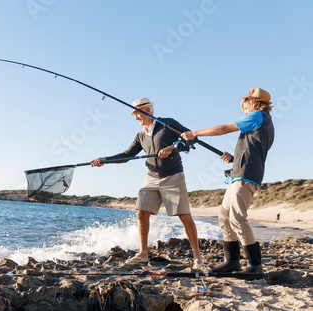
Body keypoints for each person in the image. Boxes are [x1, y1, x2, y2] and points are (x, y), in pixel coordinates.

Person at [91, 97, 204, 268]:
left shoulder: (167, 124)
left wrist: (172, 148)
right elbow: (127, 155)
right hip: (151, 176)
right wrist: (104, 160)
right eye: (134, 114)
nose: (136, 118)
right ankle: (143, 253)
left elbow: (192, 138)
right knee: (141, 212)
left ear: (148, 111)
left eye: (138, 113)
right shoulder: (140, 135)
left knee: (184, 216)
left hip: (173, 175)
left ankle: (198, 258)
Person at [181, 87, 274, 274]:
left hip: (246, 176)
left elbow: (224, 128)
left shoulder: (258, 115)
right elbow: (254, 150)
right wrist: (235, 158)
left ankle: (255, 265)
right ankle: (232, 261)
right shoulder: (261, 121)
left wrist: (195, 133)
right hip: (239, 173)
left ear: (255, 103)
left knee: (238, 218)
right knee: (224, 218)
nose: (244, 111)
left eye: (245, 106)